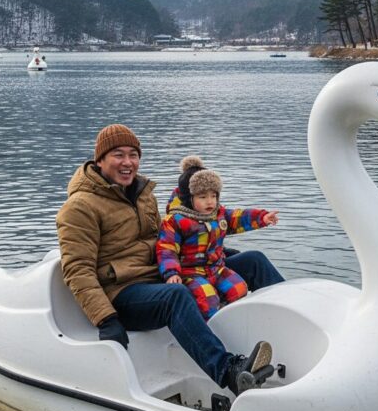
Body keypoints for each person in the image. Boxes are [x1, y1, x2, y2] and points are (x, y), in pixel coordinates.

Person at [56, 124, 281, 396]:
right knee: (175, 296)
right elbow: (77, 270)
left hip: (160, 274)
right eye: (118, 155)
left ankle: (299, 321)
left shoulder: (142, 194)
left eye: (133, 154)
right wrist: (106, 319)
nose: (128, 162)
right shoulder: (80, 207)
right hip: (123, 293)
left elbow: (165, 239)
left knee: (251, 260)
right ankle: (229, 371)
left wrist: (215, 253)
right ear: (100, 159)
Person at [157, 156, 279, 319]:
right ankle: (213, 326)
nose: (210, 202)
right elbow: (167, 249)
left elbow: (238, 217)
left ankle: (233, 319)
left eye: (213, 196)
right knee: (208, 299)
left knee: (239, 288)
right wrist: (171, 273)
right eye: (202, 197)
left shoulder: (218, 214)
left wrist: (262, 218)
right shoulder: (175, 220)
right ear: (189, 198)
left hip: (217, 268)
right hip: (191, 273)